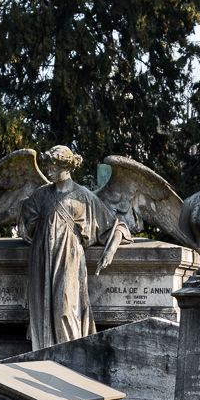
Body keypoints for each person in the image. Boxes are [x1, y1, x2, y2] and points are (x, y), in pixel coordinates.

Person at [18, 146, 129, 350]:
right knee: (42, 310)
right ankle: (45, 354)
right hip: (41, 259)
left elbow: (117, 227)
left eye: (53, 167)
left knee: (66, 309)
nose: (48, 171)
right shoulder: (40, 195)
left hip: (68, 259)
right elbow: (23, 218)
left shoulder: (83, 197)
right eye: (48, 166)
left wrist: (110, 251)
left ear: (66, 167)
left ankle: (69, 356)